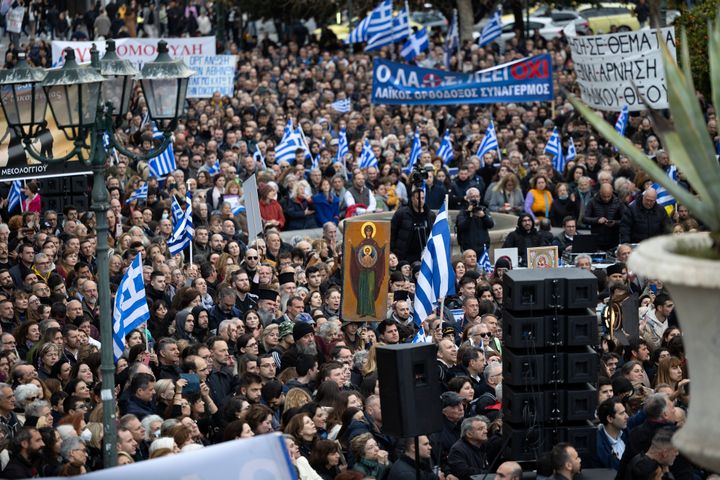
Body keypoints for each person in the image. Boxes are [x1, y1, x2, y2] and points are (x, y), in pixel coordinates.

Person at [390, 187, 435, 264]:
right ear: (412, 199)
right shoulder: (401, 213)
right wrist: (392, 251)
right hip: (405, 255)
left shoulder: (430, 215)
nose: (421, 200)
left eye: (423, 198)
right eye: (418, 198)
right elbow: (392, 233)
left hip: (425, 255)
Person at [456, 187, 494, 257]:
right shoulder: (463, 212)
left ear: (479, 197)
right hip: (468, 249)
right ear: (467, 198)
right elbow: (461, 227)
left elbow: (491, 224)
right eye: (472, 196)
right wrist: (469, 215)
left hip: (483, 249)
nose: (475, 199)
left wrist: (483, 216)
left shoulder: (484, 210)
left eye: (477, 196)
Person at [594, 398, 629, 470]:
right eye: (622, 413)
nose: (627, 416)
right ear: (610, 419)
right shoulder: (598, 446)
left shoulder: (626, 433)